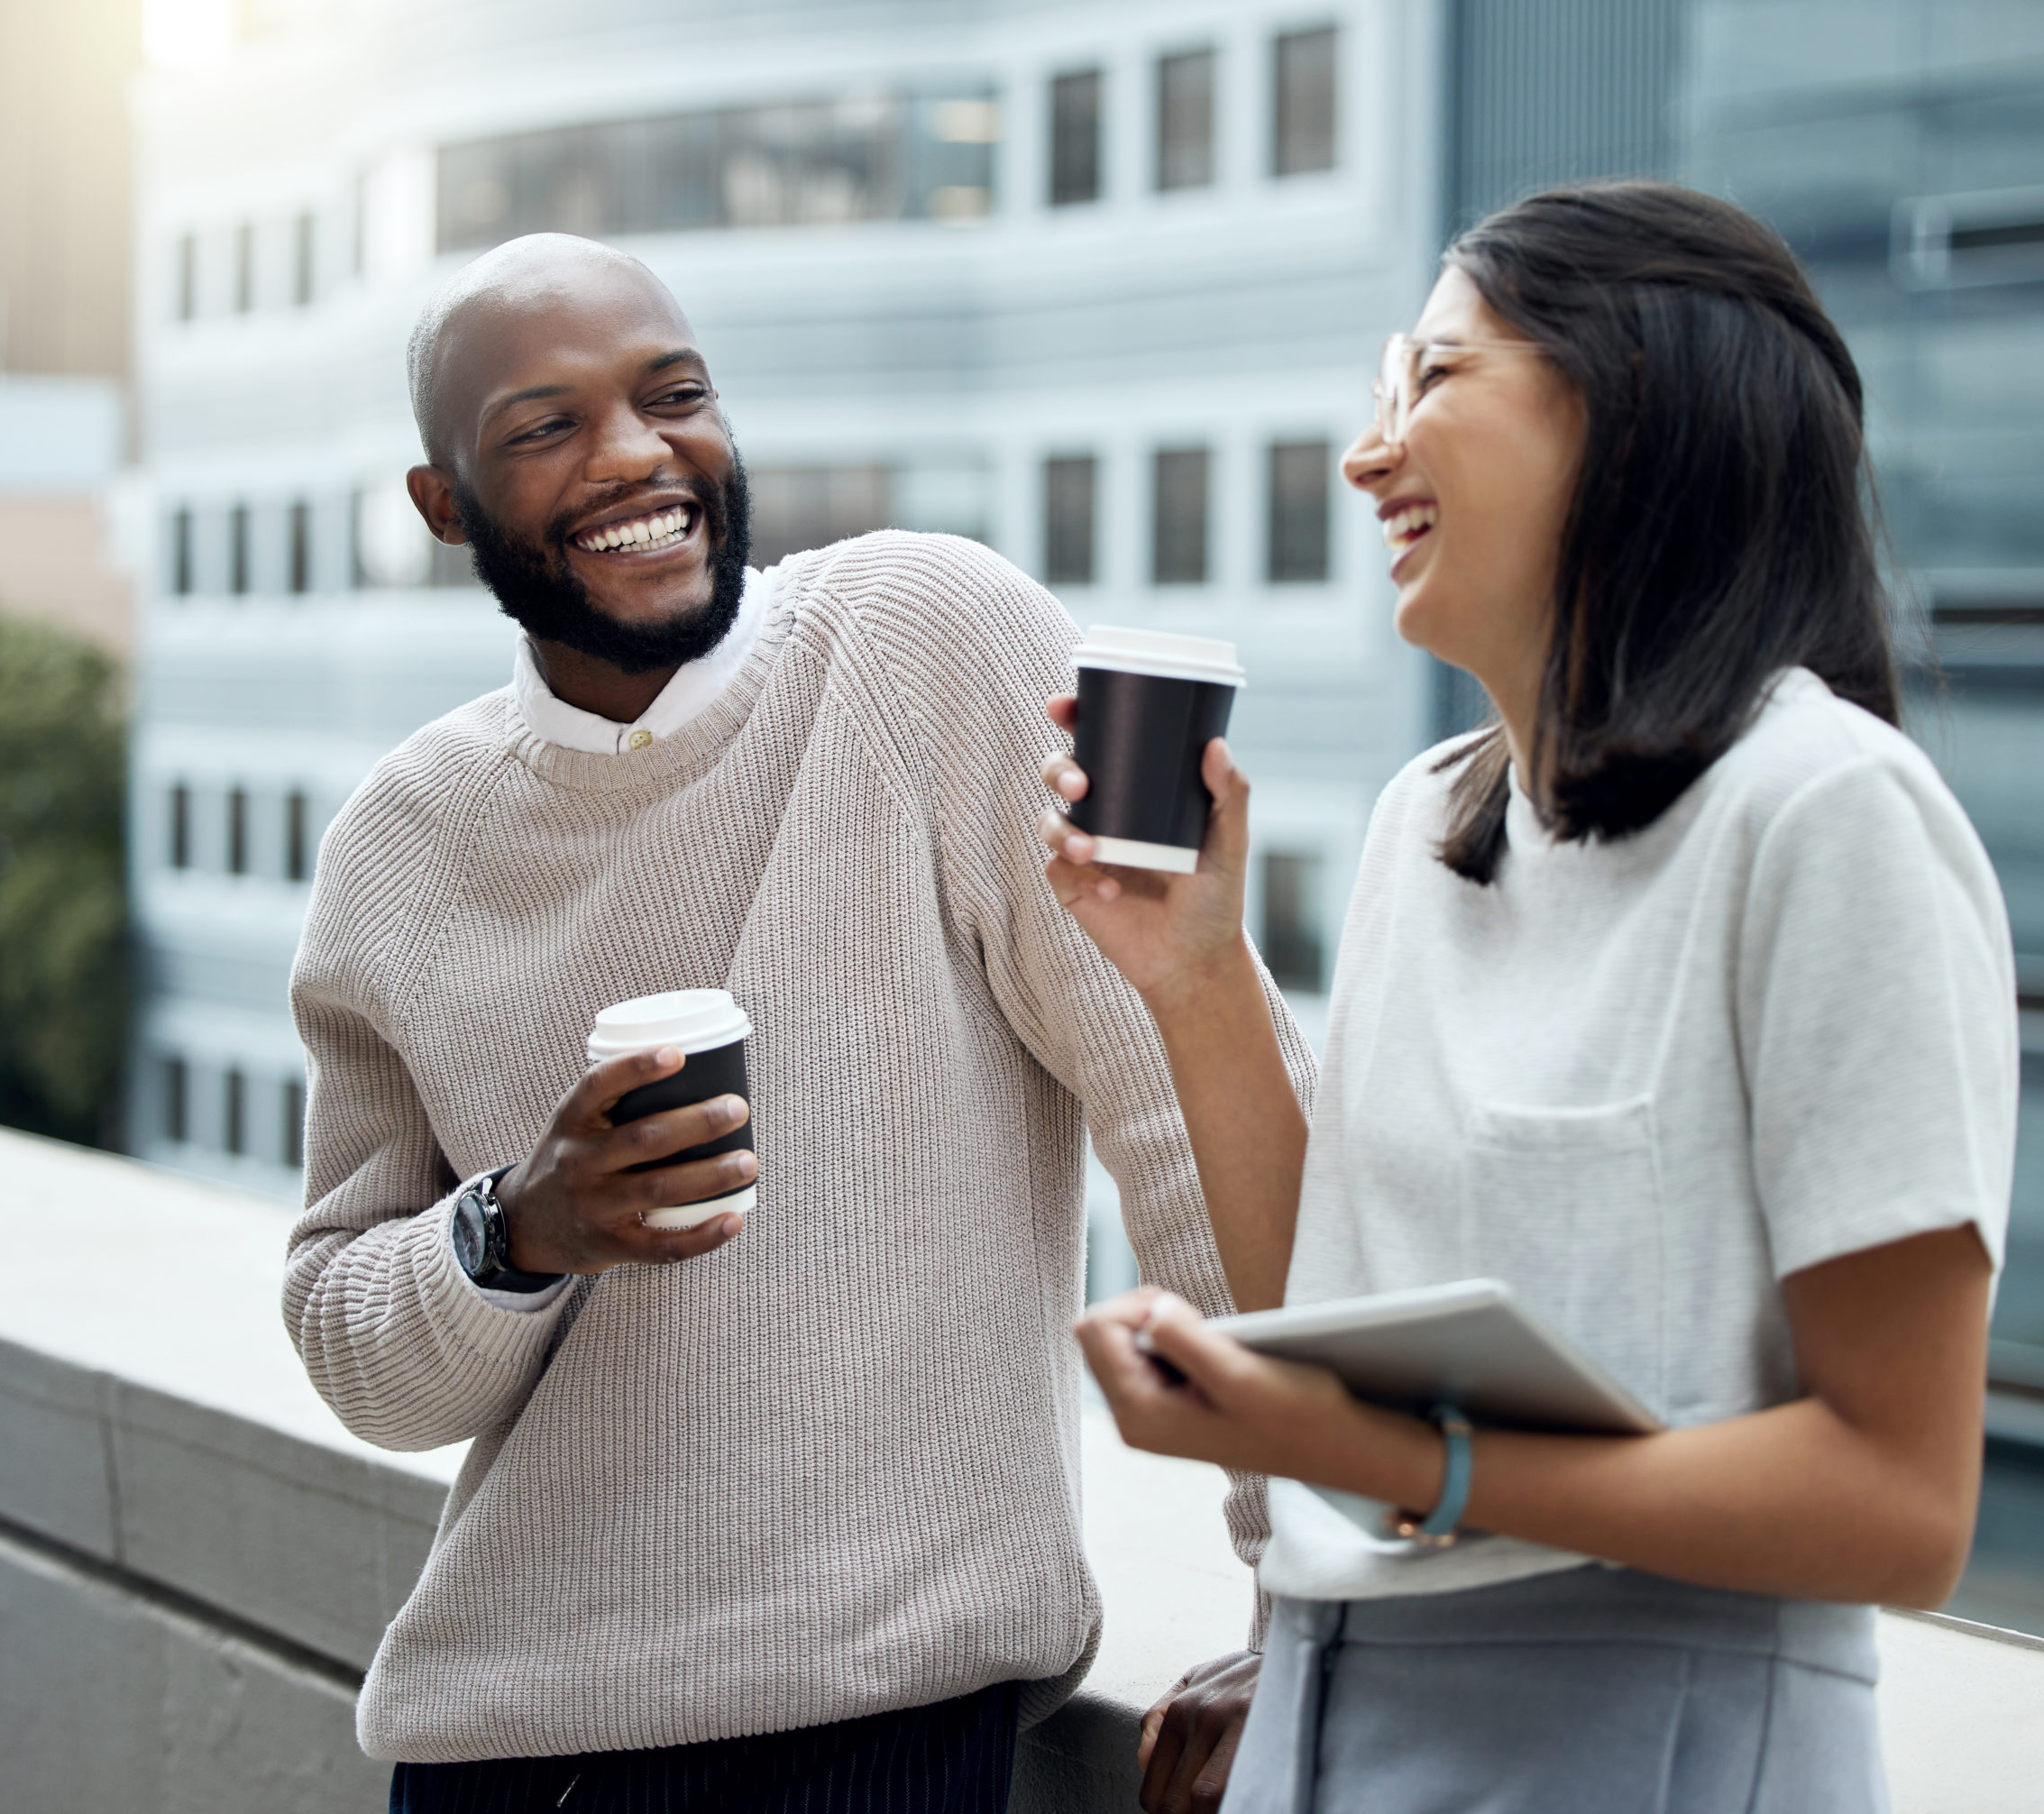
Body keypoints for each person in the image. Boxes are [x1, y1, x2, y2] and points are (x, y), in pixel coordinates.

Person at [283, 233, 1309, 1813]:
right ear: (444, 506)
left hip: (874, 1732)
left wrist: (1298, 1602)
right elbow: (360, 1356)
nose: (637, 455)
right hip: (491, 1754)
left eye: (672, 394)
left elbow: (1189, 1119)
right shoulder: (401, 840)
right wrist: (520, 1229)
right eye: (546, 427)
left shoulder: (931, 641)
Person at [1045, 182, 2018, 1812]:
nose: (1369, 457)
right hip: (1332, 1721)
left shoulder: (1826, 815)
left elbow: (1901, 1503)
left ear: (1635, 405)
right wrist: (1200, 977)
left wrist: (1396, 1462)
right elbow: (1340, 1313)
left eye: (1432, 380)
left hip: (1652, 1740)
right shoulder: (1426, 822)